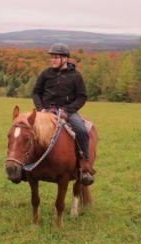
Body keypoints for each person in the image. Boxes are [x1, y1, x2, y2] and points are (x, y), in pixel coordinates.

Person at [32, 42, 95, 185]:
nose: (52, 60)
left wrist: (68, 111)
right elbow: (36, 92)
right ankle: (25, 167)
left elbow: (82, 97)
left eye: (56, 57)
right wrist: (40, 108)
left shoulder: (76, 76)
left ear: (65, 59)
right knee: (27, 130)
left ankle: (84, 165)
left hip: (68, 111)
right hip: (45, 110)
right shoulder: (46, 73)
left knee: (81, 130)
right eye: (52, 57)